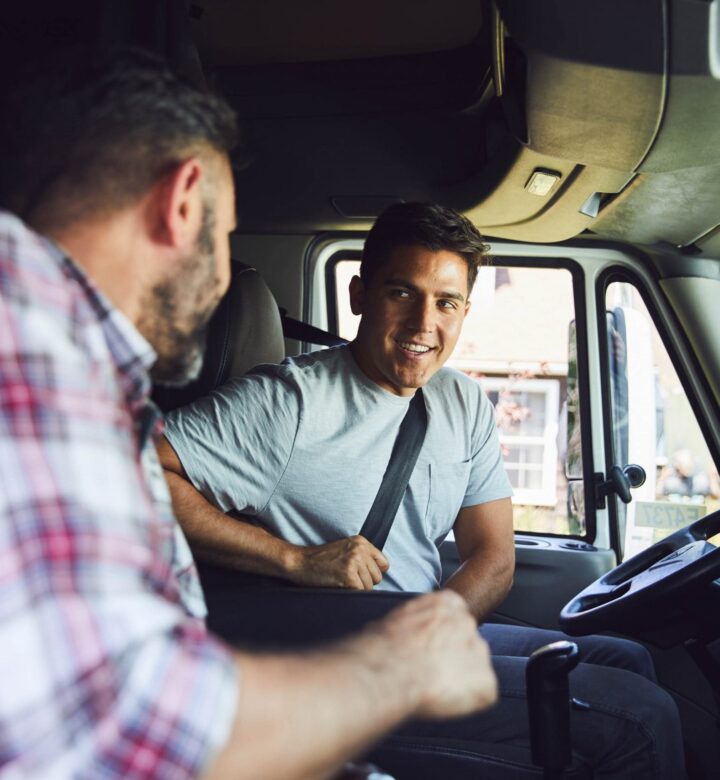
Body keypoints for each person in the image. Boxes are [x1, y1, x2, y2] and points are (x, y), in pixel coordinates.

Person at [0, 49, 499, 779]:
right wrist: (395, 666)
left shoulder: (83, 371)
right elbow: (134, 734)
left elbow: (148, 666)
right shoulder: (35, 358)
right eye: (228, 235)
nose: (226, 279)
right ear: (183, 200)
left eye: (448, 301)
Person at [159, 202, 687, 778]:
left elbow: (493, 556)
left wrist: (435, 637)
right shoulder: (287, 402)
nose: (423, 325)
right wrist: (292, 559)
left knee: (627, 658)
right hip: (334, 663)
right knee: (637, 717)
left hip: (410, 639)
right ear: (360, 296)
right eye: (401, 293)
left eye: (446, 302)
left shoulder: (462, 403)